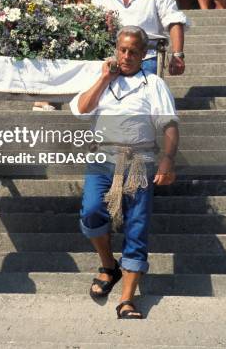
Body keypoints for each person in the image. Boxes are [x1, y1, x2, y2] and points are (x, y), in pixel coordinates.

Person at [70, 26, 179, 319]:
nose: (127, 56)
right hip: (102, 159)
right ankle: (109, 265)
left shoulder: (153, 84)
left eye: (133, 51)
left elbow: (169, 125)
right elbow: (81, 109)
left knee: (137, 226)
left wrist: (168, 159)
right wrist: (105, 78)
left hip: (139, 162)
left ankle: (127, 299)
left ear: (144, 55)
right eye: (122, 50)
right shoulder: (101, 77)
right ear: (116, 50)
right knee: (92, 211)